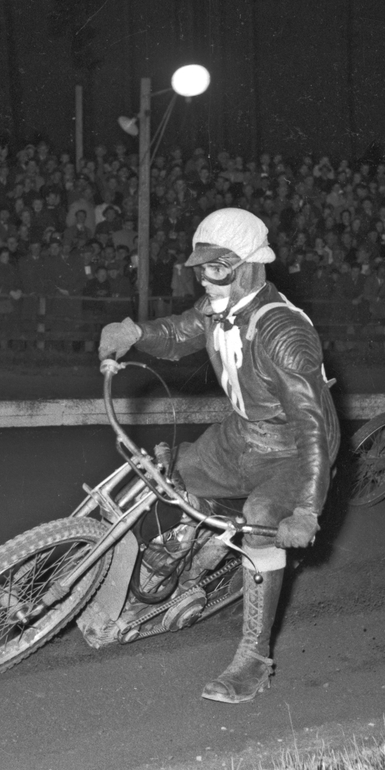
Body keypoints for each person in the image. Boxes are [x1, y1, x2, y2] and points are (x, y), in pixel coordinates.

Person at [98, 207, 339, 704]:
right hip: (243, 432)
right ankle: (196, 546)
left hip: (293, 449)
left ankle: (253, 658)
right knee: (173, 472)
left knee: (261, 518)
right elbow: (181, 332)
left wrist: (308, 509)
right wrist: (137, 334)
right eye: (201, 268)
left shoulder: (283, 333)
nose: (205, 280)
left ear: (248, 266)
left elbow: (313, 426)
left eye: (216, 268)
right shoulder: (218, 306)